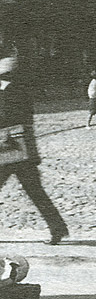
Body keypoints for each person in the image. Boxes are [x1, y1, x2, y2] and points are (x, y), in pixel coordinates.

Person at [0, 46, 69, 245]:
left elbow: (5, 117)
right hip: (24, 149)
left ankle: (58, 228)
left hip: (7, 149)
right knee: (35, 191)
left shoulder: (6, 91)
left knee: (35, 190)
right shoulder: (22, 89)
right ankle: (58, 228)